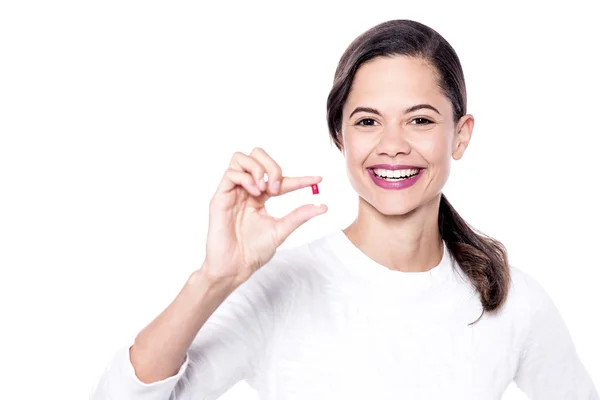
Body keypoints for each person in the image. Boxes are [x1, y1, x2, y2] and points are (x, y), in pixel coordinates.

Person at [90, 19, 598, 399]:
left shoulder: (511, 299)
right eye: (368, 121)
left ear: (459, 136)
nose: (393, 145)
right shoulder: (281, 286)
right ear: (340, 136)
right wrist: (213, 279)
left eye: (420, 120)